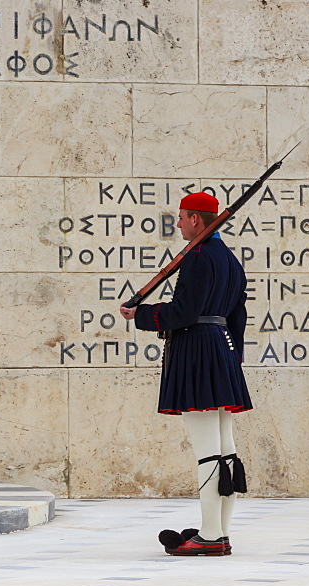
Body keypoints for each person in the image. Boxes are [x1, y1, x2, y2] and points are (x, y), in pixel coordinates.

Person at [120, 192, 250, 557]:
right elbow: (238, 316)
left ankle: (210, 535)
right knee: (225, 449)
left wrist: (142, 316)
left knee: (209, 450)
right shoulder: (230, 260)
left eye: (181, 217)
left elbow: (183, 312)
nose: (177, 223)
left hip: (197, 351)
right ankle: (220, 531)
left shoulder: (197, 256)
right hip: (222, 350)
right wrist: (232, 356)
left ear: (196, 220)